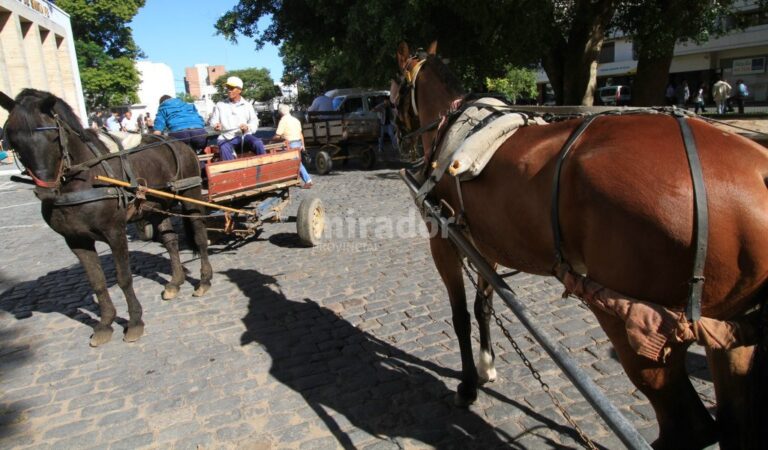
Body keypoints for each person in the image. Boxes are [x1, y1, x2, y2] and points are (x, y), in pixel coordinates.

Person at [209, 76, 265, 160]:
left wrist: (247, 127)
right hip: (226, 137)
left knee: (258, 143)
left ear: (239, 90)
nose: (229, 90)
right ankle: (232, 172)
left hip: (244, 136)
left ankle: (265, 165)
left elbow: (254, 122)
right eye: (228, 88)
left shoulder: (247, 105)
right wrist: (215, 126)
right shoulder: (220, 105)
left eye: (232, 88)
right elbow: (213, 122)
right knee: (224, 147)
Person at [272, 104, 313, 189]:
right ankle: (296, 178)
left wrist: (271, 140)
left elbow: (278, 135)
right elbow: (300, 134)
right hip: (298, 143)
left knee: (295, 162)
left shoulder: (283, 120)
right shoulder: (295, 120)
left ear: (280, 113)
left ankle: (308, 180)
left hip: (290, 144)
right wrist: (303, 145)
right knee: (297, 162)